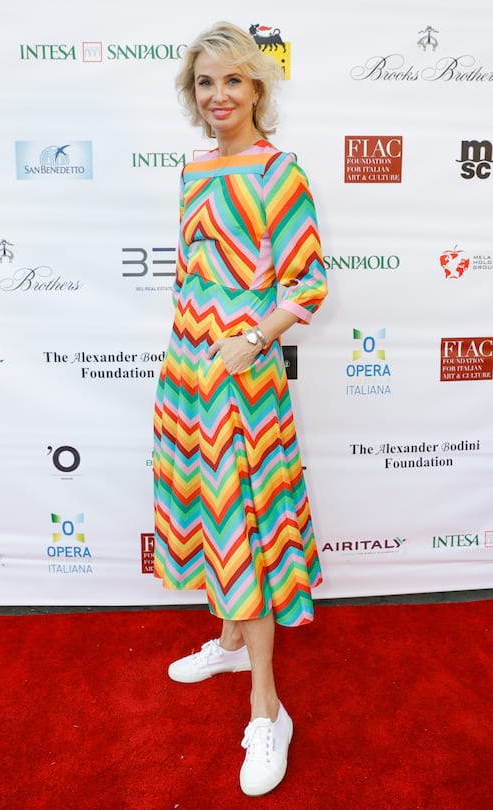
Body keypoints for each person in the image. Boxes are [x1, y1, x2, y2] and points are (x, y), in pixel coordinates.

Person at [153, 21, 328, 797]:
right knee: (211, 511)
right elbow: (195, 273)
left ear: (258, 87)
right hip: (190, 369)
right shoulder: (194, 171)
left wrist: (250, 341)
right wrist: (187, 355)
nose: (217, 95)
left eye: (232, 81)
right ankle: (228, 637)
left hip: (241, 375)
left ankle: (268, 708)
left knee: (246, 525)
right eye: (204, 83)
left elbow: (308, 283)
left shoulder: (277, 173)